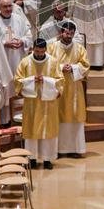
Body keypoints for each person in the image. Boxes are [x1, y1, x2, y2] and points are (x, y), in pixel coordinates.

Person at [14, 38, 63, 169]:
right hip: (31, 104)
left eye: (42, 51)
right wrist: (31, 80)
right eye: (37, 51)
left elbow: (60, 81)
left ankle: (47, 159)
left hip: (48, 104)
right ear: (33, 49)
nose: (40, 54)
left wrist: (46, 81)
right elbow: (17, 81)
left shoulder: (53, 62)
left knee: (48, 131)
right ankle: (32, 159)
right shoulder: (25, 62)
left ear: (45, 49)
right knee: (31, 131)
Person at [48, 20, 90, 158]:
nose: (69, 36)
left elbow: (85, 66)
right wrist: (61, 67)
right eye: (67, 33)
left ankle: (74, 149)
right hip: (57, 89)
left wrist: (73, 67)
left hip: (74, 88)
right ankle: (57, 150)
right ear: (61, 33)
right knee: (57, 119)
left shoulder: (79, 49)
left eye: (71, 33)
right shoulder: (52, 48)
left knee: (74, 118)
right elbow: (47, 65)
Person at [0, 0, 32, 123]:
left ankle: (19, 119)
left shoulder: (19, 19)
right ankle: (5, 121)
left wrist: (22, 41)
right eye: (5, 6)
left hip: (18, 60)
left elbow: (28, 35)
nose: (8, 9)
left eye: (10, 6)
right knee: (5, 89)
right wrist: (4, 43)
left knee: (18, 87)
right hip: (3, 63)